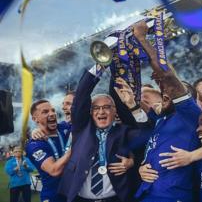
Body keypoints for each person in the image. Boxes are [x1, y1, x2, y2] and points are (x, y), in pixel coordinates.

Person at [131, 21, 202, 201]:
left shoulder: (190, 114)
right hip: (147, 193)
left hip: (171, 196)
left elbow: (169, 77)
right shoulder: (161, 119)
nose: (166, 91)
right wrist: (142, 166)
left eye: (172, 90)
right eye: (164, 90)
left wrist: (142, 38)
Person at [57, 65, 149, 202]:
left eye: (107, 107)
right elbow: (81, 96)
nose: (101, 112)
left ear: (115, 111)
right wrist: (99, 66)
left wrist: (133, 107)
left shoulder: (124, 132)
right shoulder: (81, 128)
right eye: (96, 108)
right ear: (90, 112)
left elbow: (145, 135)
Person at [25, 99, 72, 202]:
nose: (52, 114)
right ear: (35, 119)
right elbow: (54, 170)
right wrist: (73, 150)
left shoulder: (63, 128)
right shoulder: (35, 144)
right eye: (45, 112)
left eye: (53, 110)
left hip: (75, 193)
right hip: (54, 196)